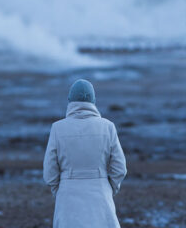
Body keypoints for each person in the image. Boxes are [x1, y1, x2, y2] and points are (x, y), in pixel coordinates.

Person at [43, 79, 127, 228]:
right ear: (93, 101)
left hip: (67, 195)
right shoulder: (108, 127)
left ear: (70, 101)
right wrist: (108, 188)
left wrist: (61, 190)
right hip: (101, 193)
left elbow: (49, 171)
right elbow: (120, 168)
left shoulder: (57, 128)